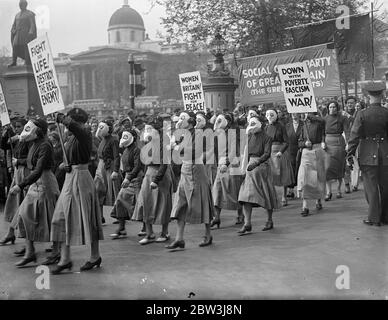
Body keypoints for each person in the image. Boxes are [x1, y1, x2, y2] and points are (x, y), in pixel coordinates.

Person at [50, 108, 103, 273]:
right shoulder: (72, 137)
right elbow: (72, 155)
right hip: (70, 177)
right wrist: (66, 164)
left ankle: (94, 256)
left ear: (78, 121)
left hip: (81, 179)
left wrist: (61, 118)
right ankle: (65, 259)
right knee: (60, 218)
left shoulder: (84, 133)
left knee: (89, 219)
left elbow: (75, 128)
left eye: (72, 121)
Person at [9, 118, 60, 267]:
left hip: (46, 183)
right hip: (35, 184)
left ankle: (56, 252)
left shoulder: (45, 145)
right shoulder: (33, 144)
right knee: (23, 215)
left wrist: (21, 184)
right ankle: (30, 252)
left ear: (38, 130)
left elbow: (39, 169)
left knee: (51, 219)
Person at [168, 111, 214, 249]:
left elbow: (194, 151)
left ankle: (208, 234)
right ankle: (179, 238)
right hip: (185, 168)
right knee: (181, 203)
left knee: (202, 201)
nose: (180, 121)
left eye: (183, 118)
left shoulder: (199, 134)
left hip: (196, 169)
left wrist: (176, 147)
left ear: (191, 121)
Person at [347, 81, 388, 226]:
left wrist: (349, 153)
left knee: (371, 188)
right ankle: (385, 217)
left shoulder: (362, 114)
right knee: (385, 187)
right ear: (382, 94)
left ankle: (373, 217)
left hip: (367, 154)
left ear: (367, 95)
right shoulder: (386, 113)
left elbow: (354, 136)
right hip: (385, 154)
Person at [133, 116, 174, 244]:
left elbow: (164, 163)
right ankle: (149, 233)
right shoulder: (147, 143)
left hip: (160, 175)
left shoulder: (165, 143)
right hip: (148, 173)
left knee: (163, 204)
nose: (147, 132)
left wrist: (156, 179)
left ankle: (164, 232)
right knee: (146, 202)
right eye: (147, 129)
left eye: (150, 129)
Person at [238, 115, 279, 234]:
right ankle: (247, 223)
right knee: (245, 196)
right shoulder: (249, 136)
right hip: (250, 168)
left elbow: (266, 154)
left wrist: (256, 163)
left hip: (262, 168)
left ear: (261, 124)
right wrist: (243, 168)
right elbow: (245, 153)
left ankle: (269, 220)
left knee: (267, 195)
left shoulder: (267, 138)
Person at [211, 112, 244, 228]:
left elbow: (234, 150)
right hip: (221, 164)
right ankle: (216, 217)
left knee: (234, 189)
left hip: (232, 164)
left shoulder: (233, 133)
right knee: (217, 190)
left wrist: (227, 163)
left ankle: (240, 214)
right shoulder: (219, 133)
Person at [0, 117, 30, 246]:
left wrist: (18, 162)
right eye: (15, 127)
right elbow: (4, 145)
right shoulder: (16, 139)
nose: (16, 129)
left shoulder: (28, 139)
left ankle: (26, 240)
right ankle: (11, 233)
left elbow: (31, 159)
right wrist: (6, 133)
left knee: (25, 206)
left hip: (27, 174)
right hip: (18, 174)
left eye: (19, 126)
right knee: (14, 203)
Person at [110, 129, 143, 239]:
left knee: (140, 203)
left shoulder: (137, 150)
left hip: (136, 179)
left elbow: (138, 166)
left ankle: (146, 228)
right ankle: (121, 228)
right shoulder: (125, 150)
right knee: (120, 200)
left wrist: (128, 177)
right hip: (128, 178)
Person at [297, 113, 326, 216]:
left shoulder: (319, 122)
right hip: (306, 153)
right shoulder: (303, 125)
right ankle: (305, 205)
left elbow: (323, 121)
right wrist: (304, 144)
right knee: (304, 177)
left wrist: (309, 116)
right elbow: (299, 141)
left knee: (317, 176)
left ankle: (318, 199)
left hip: (317, 150)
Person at [265, 109, 295, 207]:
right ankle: (273, 196)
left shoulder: (281, 126)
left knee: (283, 174)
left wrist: (281, 151)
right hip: (269, 153)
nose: (270, 116)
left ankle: (284, 196)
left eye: (272, 114)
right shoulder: (266, 127)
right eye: (268, 114)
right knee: (270, 176)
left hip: (280, 152)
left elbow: (286, 141)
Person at [94, 117, 121, 224]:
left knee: (114, 191)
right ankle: (100, 216)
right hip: (101, 167)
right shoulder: (102, 140)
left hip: (110, 166)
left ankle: (120, 215)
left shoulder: (113, 140)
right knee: (97, 191)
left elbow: (116, 156)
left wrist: (115, 170)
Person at [323, 101, 349, 200]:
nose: (332, 109)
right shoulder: (324, 119)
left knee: (339, 167)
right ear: (328, 108)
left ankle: (338, 190)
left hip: (339, 142)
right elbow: (322, 132)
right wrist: (322, 142)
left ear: (337, 108)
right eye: (330, 107)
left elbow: (347, 130)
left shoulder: (343, 118)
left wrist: (348, 143)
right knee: (327, 168)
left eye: (334, 107)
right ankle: (328, 191)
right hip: (328, 143)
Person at [9, 0, 37, 67]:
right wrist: (13, 30)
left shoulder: (29, 14)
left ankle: (27, 62)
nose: (20, 6)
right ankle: (14, 62)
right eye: (19, 4)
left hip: (25, 33)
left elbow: (32, 25)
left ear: (25, 5)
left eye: (21, 4)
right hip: (17, 34)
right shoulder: (17, 15)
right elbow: (14, 25)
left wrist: (30, 32)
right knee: (15, 46)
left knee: (25, 47)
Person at [285, 113, 303, 199]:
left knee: (301, 168)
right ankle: (290, 189)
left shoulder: (304, 125)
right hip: (290, 150)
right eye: (292, 114)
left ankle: (301, 189)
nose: (294, 115)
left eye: (296, 113)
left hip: (301, 149)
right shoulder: (287, 126)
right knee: (291, 168)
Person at [343, 96, 358, 193]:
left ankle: (355, 184)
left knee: (355, 163)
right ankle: (347, 184)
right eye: (348, 103)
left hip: (355, 140)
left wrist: (349, 117)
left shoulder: (359, 113)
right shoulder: (341, 114)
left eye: (352, 102)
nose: (350, 104)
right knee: (346, 164)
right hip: (344, 140)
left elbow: (357, 122)